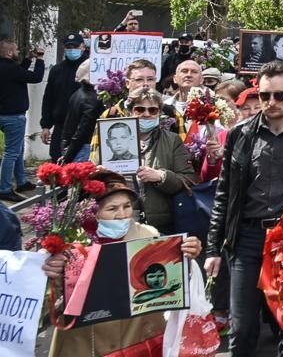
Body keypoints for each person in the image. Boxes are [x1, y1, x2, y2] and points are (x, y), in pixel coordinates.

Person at [205, 61, 283, 357]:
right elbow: (225, 193)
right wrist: (213, 248)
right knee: (242, 327)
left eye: (278, 95)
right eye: (265, 96)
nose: (271, 102)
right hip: (248, 240)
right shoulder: (241, 134)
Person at [42, 171, 203, 357]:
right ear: (91, 212)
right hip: (87, 344)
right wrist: (51, 272)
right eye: (112, 209)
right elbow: (53, 303)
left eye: (127, 206)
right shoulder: (72, 244)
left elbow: (170, 282)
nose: (122, 215)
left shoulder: (148, 236)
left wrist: (186, 257)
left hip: (138, 338)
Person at [126, 88, 197, 230]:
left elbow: (189, 180)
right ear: (130, 112)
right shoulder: (112, 137)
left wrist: (161, 176)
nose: (146, 114)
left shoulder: (172, 140)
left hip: (160, 223)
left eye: (152, 110)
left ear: (159, 113)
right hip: (122, 220)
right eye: (139, 109)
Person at [0, 38, 43, 200]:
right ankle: (4, 188)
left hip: (4, 115)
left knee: (18, 150)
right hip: (13, 117)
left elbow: (19, 73)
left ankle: (22, 181)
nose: (18, 52)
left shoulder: (8, 68)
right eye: (17, 50)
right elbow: (36, 77)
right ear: (10, 52)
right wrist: (39, 60)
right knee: (11, 152)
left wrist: (28, 59)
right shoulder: (12, 69)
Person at [40, 33, 87, 162]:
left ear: (83, 46)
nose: (72, 49)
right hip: (60, 126)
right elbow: (48, 98)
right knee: (57, 162)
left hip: (83, 126)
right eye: (68, 46)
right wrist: (45, 125)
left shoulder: (90, 67)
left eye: (75, 46)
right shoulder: (56, 70)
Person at [61, 62, 102, 164]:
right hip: (84, 148)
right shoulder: (92, 99)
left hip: (75, 145)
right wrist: (69, 155)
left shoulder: (79, 93)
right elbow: (82, 131)